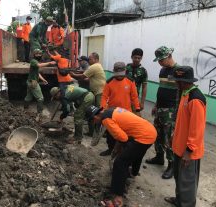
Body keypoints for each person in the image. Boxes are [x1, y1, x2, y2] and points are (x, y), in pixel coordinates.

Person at [86, 105, 157, 207]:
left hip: (143, 136)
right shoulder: (111, 110)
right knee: (137, 153)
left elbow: (123, 138)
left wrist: (119, 149)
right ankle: (133, 173)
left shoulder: (106, 119)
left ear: (95, 117)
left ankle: (118, 195)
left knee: (120, 162)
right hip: (150, 131)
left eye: (92, 121)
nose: (94, 123)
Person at [164, 66, 206, 207]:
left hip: (188, 152)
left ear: (183, 82)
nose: (176, 83)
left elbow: (197, 129)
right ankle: (179, 200)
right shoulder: (184, 94)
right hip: (179, 147)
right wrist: (174, 135)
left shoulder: (195, 99)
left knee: (187, 182)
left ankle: (186, 204)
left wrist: (189, 151)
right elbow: (182, 121)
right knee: (179, 178)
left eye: (177, 81)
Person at [145, 46, 179, 179]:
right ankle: (159, 157)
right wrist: (156, 105)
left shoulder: (179, 71)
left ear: (169, 56)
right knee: (157, 134)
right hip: (160, 109)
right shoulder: (163, 70)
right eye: (158, 60)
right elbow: (162, 89)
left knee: (169, 138)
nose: (160, 62)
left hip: (171, 111)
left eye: (161, 60)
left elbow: (181, 93)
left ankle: (171, 165)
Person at [99, 62, 141, 155]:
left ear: (125, 71)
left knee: (125, 134)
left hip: (126, 113)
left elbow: (134, 97)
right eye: (117, 75)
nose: (119, 77)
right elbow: (104, 97)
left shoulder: (130, 81)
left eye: (121, 74)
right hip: (112, 112)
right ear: (114, 72)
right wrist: (103, 108)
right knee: (111, 134)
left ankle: (123, 151)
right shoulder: (109, 82)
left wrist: (137, 110)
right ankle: (110, 149)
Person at [70, 52, 106, 137]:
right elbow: (86, 76)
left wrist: (72, 75)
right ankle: (92, 131)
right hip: (96, 91)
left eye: (90, 59)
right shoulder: (97, 66)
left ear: (96, 59)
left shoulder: (94, 67)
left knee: (99, 112)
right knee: (93, 112)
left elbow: (82, 76)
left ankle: (102, 132)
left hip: (99, 92)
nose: (88, 60)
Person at [24, 49, 56, 122]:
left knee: (28, 97)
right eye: (37, 54)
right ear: (34, 54)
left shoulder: (35, 62)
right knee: (40, 98)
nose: (39, 55)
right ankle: (39, 114)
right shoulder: (33, 61)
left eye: (40, 54)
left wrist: (43, 79)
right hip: (33, 83)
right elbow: (39, 65)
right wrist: (50, 63)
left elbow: (37, 73)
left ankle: (25, 110)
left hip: (29, 82)